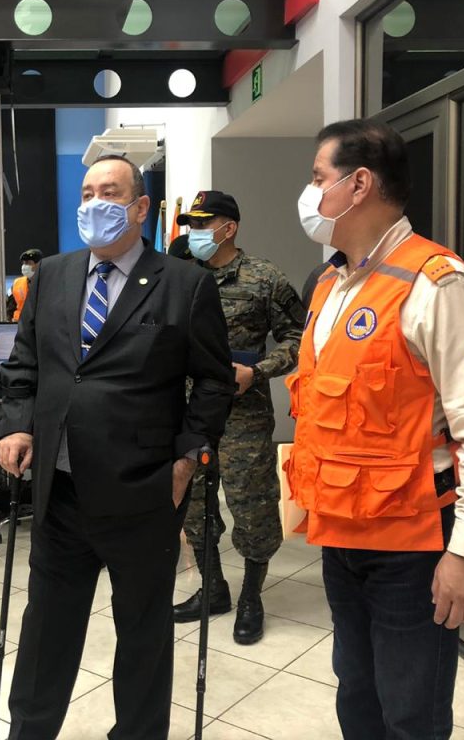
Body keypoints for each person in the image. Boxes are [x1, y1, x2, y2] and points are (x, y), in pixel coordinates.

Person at [286, 119, 464, 739]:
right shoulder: (330, 285)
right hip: (342, 534)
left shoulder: (437, 283)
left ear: (359, 185)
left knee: (411, 713)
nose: (310, 194)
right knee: (357, 696)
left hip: (411, 549)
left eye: (318, 178)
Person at [0, 155, 236, 739]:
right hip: (60, 491)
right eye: (86, 192)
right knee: (46, 630)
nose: (93, 203)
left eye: (109, 192)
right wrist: (16, 424)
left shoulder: (185, 283)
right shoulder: (52, 275)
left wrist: (186, 458)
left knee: (143, 634)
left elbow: (214, 381)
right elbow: (26, 363)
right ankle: (30, 731)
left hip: (144, 492)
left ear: (140, 207)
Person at [172, 190, 305, 644]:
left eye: (202, 224)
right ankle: (212, 589)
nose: (194, 232)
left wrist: (259, 370)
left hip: (242, 413)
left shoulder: (264, 278)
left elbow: (299, 337)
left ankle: (251, 596)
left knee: (253, 507)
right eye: (191, 225)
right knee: (192, 503)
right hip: (187, 411)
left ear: (229, 228)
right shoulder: (180, 276)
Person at [6, 247, 42, 322]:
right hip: (20, 324)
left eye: (29, 263)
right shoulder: (17, 283)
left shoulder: (48, 282)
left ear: (38, 264)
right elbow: (10, 308)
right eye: (24, 263)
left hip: (41, 323)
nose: (25, 266)